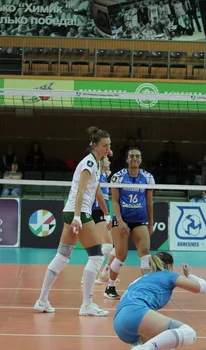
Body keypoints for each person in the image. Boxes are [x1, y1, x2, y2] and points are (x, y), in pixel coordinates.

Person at [33, 126, 112, 317]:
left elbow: (97, 190)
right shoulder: (89, 164)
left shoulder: (97, 163)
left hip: (71, 212)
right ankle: (87, 305)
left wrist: (106, 213)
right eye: (104, 145)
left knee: (62, 256)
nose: (108, 149)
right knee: (96, 256)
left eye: (109, 145)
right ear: (94, 145)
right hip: (79, 213)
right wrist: (77, 217)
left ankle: (42, 300)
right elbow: (81, 191)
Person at [113, 252, 206, 350]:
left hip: (120, 324)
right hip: (135, 313)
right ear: (169, 266)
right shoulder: (168, 274)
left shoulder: (144, 277)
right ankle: (144, 349)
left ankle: (141, 347)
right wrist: (189, 275)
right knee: (188, 333)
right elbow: (204, 288)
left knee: (166, 348)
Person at [105, 147, 155, 300]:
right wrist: (119, 221)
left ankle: (145, 289)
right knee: (121, 255)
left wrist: (151, 222)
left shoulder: (148, 177)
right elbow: (114, 200)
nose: (134, 158)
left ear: (141, 160)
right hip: (122, 219)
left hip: (139, 220)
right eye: (131, 156)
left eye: (137, 156)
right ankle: (110, 286)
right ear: (127, 159)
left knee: (145, 253)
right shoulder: (117, 177)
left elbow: (149, 201)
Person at [81, 156, 115, 285]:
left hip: (102, 212)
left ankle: (99, 274)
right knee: (106, 246)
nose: (109, 162)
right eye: (107, 160)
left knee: (107, 246)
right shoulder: (96, 173)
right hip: (94, 211)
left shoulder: (106, 176)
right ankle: (90, 275)